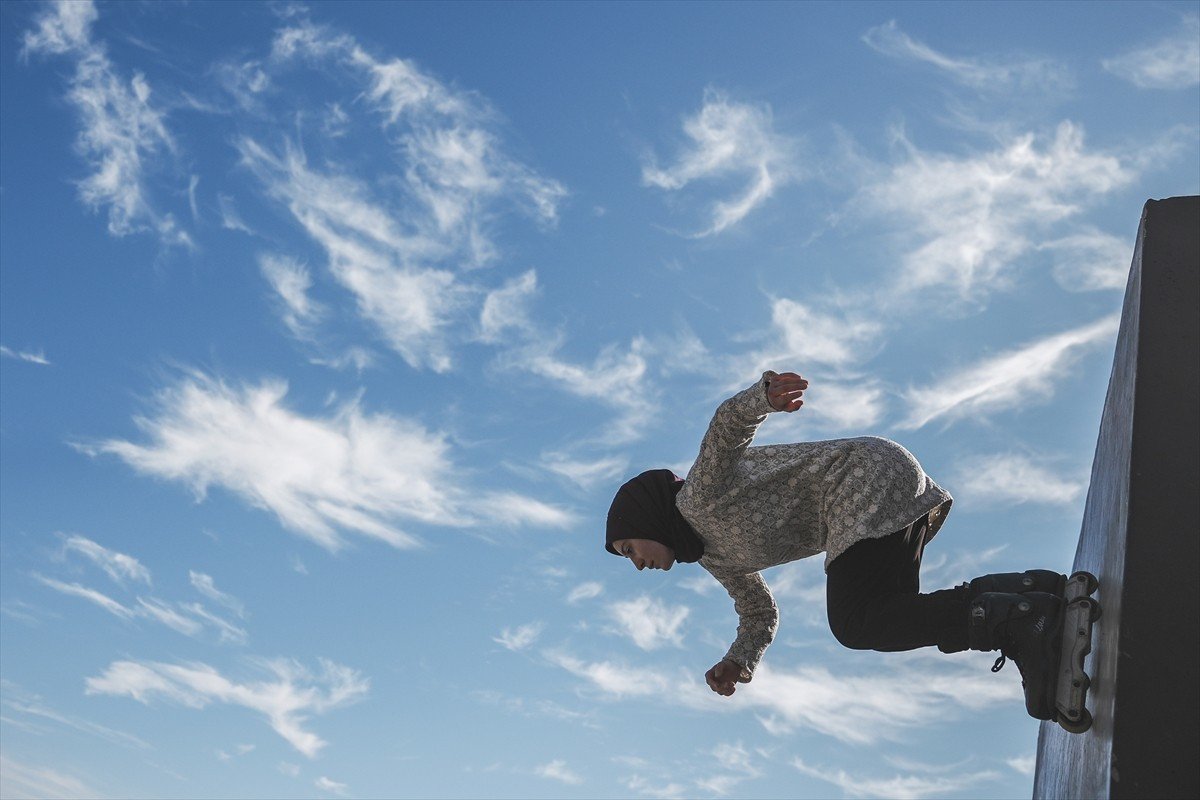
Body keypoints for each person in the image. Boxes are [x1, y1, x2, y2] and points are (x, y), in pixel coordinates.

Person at [605, 370, 1068, 721]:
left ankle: (1016, 622)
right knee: (890, 614)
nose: (638, 565)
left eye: (629, 549)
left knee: (856, 623)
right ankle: (1027, 595)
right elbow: (759, 612)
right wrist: (737, 661)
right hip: (881, 483)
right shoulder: (716, 559)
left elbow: (726, 429)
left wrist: (761, 398)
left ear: (647, 517)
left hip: (860, 478)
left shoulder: (696, 496)